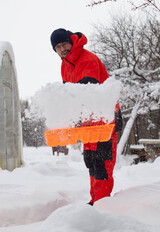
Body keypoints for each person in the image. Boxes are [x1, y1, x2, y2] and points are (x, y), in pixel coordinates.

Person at [50, 28, 122, 205]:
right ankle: (95, 200)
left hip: (105, 119)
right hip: (89, 122)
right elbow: (70, 95)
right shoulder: (64, 64)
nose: (62, 49)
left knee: (102, 164)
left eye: (64, 44)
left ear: (71, 41)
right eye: (57, 47)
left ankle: (102, 204)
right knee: (91, 161)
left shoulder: (87, 59)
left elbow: (87, 91)